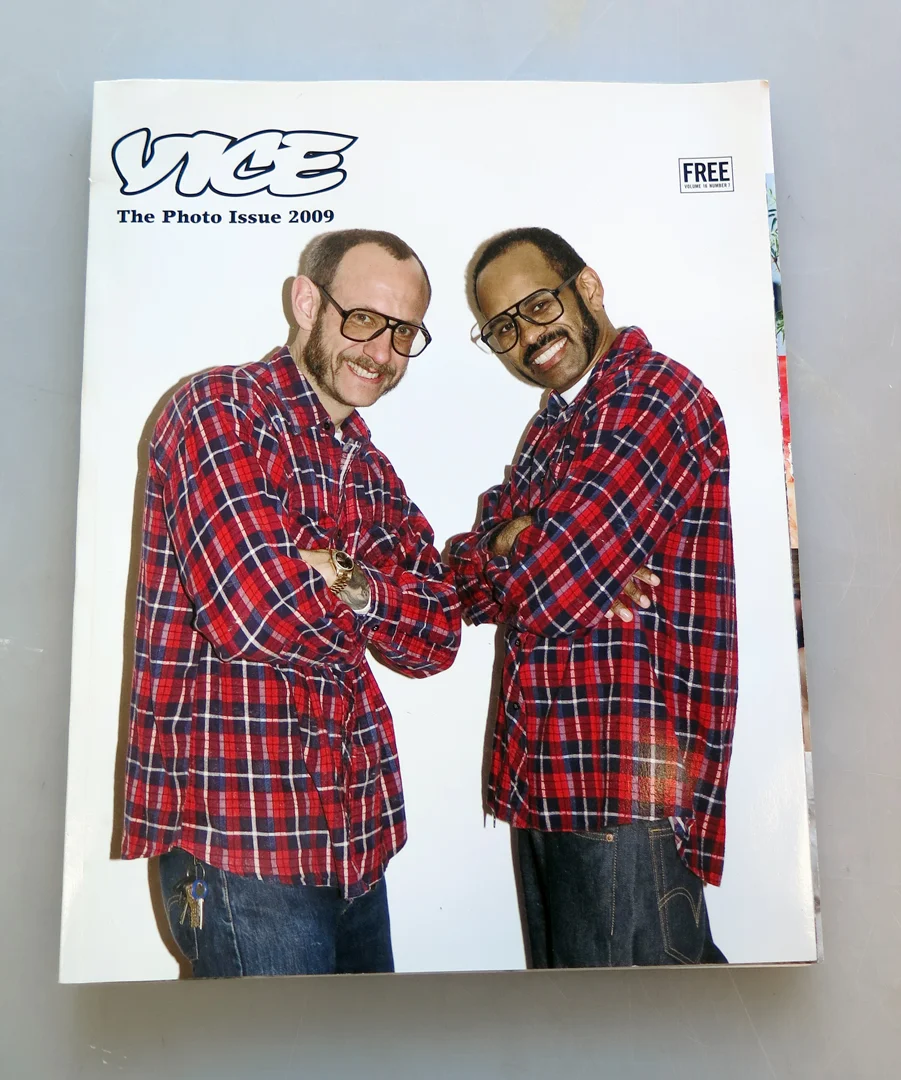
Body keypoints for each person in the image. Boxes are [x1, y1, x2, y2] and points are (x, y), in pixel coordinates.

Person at [122, 229, 461, 978]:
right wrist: (372, 600)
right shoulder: (218, 410)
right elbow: (252, 610)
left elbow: (439, 636)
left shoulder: (370, 468)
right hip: (244, 845)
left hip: (358, 840)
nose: (382, 351)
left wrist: (337, 573)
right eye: (363, 319)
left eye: (403, 332)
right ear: (306, 302)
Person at [448, 227, 738, 968]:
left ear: (588, 288)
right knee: (575, 1024)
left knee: (636, 1026)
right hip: (543, 785)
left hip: (625, 797)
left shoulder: (657, 398)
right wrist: (517, 538)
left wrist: (530, 548)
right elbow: (463, 584)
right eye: (501, 327)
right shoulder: (552, 429)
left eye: (538, 305)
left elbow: (548, 587)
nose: (526, 337)